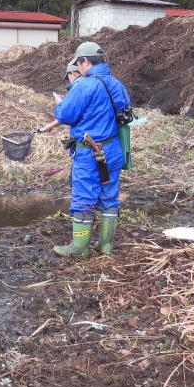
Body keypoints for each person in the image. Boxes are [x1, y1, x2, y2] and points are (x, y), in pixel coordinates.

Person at [44, 41, 131, 257]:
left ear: (85, 61)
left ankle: (79, 248)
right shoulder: (116, 83)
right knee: (109, 195)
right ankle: (106, 245)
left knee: (84, 196)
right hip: (113, 149)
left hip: (89, 152)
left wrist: (60, 103)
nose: (78, 68)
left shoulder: (84, 85)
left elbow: (64, 115)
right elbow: (124, 110)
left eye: (79, 64)